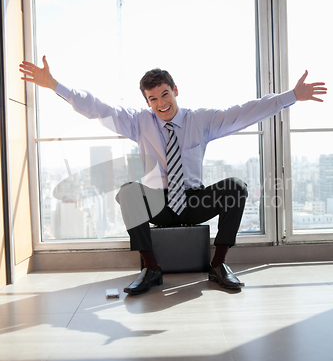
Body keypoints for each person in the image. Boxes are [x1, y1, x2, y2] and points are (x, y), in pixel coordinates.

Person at [19, 57, 327, 295]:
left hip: (193, 201)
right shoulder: (138, 123)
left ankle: (218, 265)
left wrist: (291, 96)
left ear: (175, 90)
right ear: (147, 102)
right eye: (153, 99)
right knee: (128, 190)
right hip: (158, 205)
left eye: (164, 94)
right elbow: (96, 108)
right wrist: (55, 85)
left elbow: (244, 111)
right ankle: (151, 269)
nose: (161, 103)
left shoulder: (201, 120)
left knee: (237, 186)